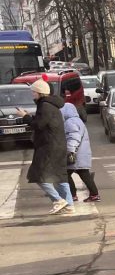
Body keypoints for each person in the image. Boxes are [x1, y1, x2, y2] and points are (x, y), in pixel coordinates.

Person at [15, 81, 74, 214]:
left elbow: (39, 125)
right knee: (59, 176)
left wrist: (25, 117)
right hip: (57, 145)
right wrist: (32, 115)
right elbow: (46, 122)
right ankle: (69, 205)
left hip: (49, 147)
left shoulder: (45, 105)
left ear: (40, 92)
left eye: (33, 92)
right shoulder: (51, 105)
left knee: (38, 175)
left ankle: (58, 200)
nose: (32, 94)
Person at [61, 102, 100, 202]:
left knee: (65, 174)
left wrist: (70, 150)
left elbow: (74, 137)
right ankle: (94, 195)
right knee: (84, 174)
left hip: (75, 153)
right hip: (81, 153)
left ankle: (73, 195)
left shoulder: (70, 122)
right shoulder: (78, 120)